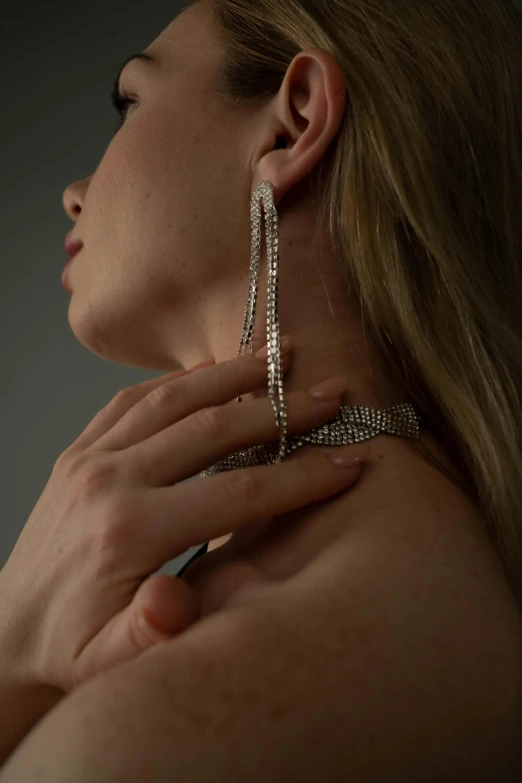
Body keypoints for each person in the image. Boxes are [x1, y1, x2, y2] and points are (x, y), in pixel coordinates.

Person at [23, 0, 519, 778]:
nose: (74, 191)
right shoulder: (421, 586)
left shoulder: (159, 731)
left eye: (132, 102)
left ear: (294, 123)